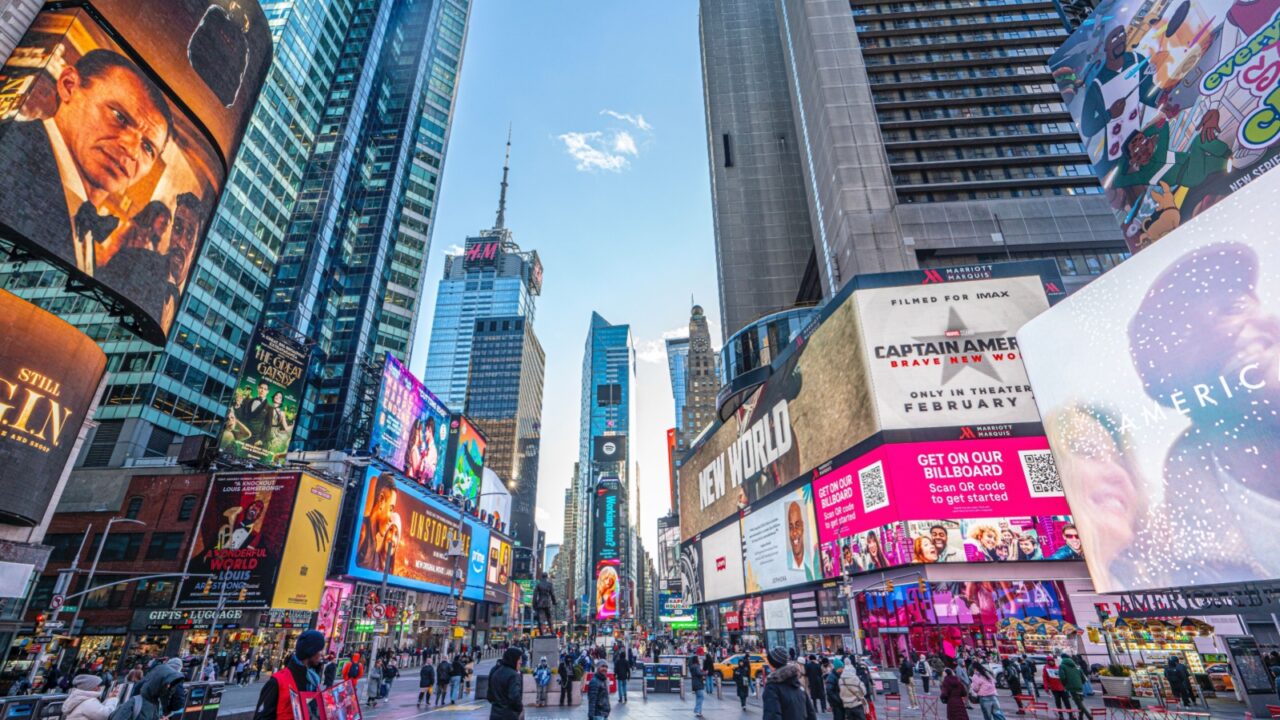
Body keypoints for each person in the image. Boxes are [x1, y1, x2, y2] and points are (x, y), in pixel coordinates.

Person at [251, 631, 324, 720]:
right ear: (311, 652)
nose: (322, 654)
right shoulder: (277, 681)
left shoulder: (314, 680)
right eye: (319, 650)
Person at [113, 662, 183, 720]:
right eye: (166, 684)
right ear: (158, 682)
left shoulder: (158, 704)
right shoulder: (135, 703)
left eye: (170, 685)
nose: (168, 687)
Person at [763, 648, 816, 720]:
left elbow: (772, 715)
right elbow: (811, 713)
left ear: (772, 664)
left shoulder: (772, 687)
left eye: (768, 662)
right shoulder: (797, 683)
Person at [486, 648, 524, 720]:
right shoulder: (513, 675)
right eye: (519, 660)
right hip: (509, 715)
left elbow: (489, 696)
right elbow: (514, 697)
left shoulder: (496, 672)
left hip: (495, 714)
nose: (521, 662)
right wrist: (520, 708)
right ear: (514, 660)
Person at [1058, 654, 1087, 720]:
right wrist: (1080, 683)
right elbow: (1083, 678)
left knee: (1080, 705)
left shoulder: (1062, 666)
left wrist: (1065, 685)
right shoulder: (1076, 666)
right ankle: (1080, 718)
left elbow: (1062, 677)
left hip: (1072, 688)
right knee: (1080, 704)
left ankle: (1089, 717)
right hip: (1079, 687)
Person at [689, 649, 707, 719]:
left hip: (695, 684)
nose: (699, 659)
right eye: (698, 659)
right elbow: (699, 673)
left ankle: (699, 712)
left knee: (698, 697)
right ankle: (697, 711)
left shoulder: (692, 667)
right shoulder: (696, 666)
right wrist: (704, 673)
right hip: (698, 683)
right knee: (701, 697)